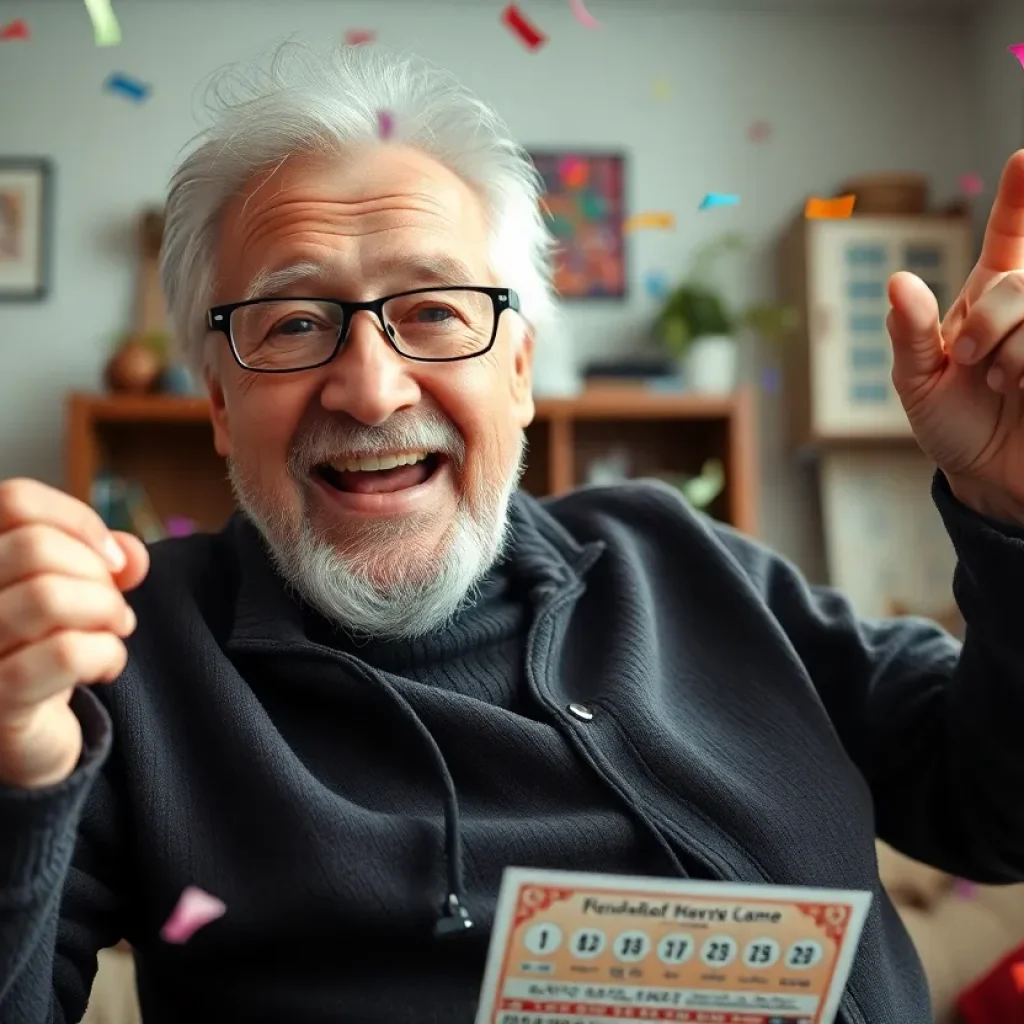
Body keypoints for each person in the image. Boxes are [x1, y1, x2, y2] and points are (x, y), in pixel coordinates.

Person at [2, 42, 1024, 1024]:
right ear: (219, 404)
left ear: (521, 371)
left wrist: (1009, 512)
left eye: (436, 311)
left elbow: (994, 806)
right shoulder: (125, 655)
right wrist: (17, 763)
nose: (370, 388)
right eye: (295, 323)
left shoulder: (677, 554)